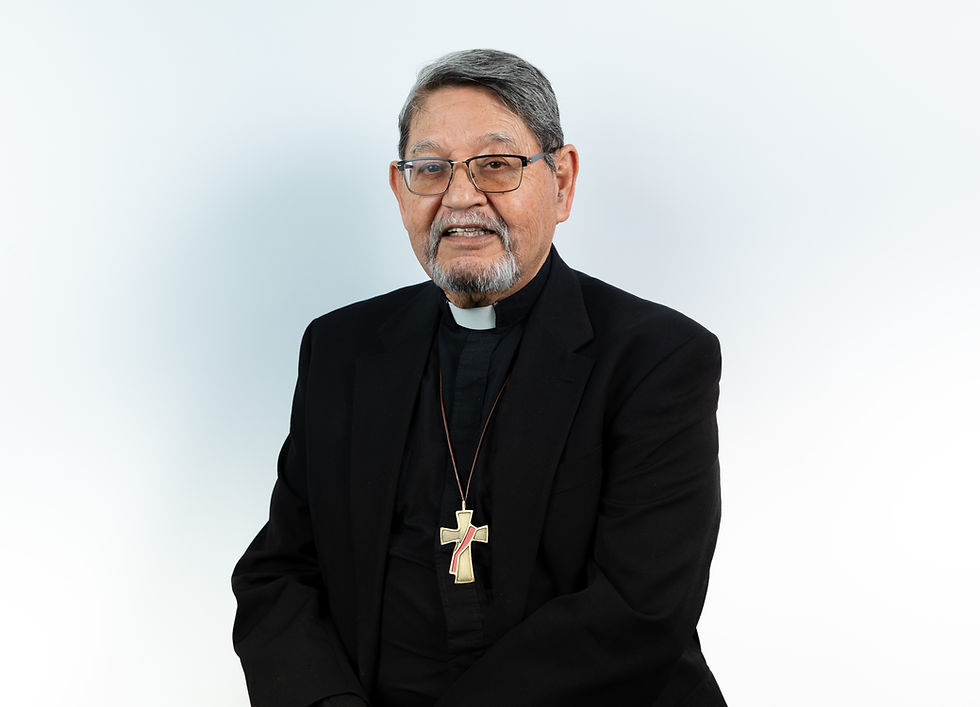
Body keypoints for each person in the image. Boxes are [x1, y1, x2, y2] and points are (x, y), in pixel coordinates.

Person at [232, 49, 726, 707]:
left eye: (496, 164)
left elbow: (638, 610)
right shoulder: (342, 349)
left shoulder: (656, 359)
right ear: (399, 186)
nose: (461, 197)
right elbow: (280, 573)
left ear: (563, 180)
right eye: (431, 169)